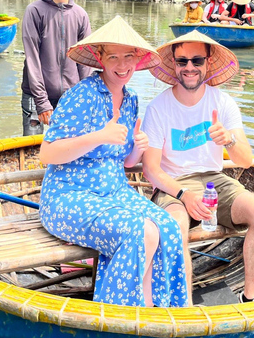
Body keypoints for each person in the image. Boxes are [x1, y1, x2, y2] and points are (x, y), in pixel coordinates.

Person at [38, 16, 188, 308]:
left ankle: (149, 310)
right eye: (114, 57)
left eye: (129, 57)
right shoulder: (81, 96)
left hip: (115, 192)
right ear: (100, 59)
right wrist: (97, 136)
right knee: (139, 231)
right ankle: (116, 314)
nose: (122, 66)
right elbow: (48, 153)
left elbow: (124, 162)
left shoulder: (131, 100)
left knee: (167, 227)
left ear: (138, 59)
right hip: (69, 196)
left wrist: (137, 149)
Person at [141, 31, 254, 304]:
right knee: (176, 225)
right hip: (174, 184)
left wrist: (230, 139)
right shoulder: (158, 108)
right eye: (182, 61)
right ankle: (185, 306)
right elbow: (151, 170)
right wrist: (184, 196)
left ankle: (251, 297)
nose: (189, 67)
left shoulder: (222, 102)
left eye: (196, 60)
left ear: (208, 62)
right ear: (174, 64)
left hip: (215, 181)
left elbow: (245, 160)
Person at [21, 0, 91, 136]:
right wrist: (42, 101)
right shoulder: (34, 11)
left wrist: (84, 97)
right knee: (32, 149)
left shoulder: (80, 15)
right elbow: (32, 59)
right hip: (35, 95)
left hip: (70, 97)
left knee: (68, 147)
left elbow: (85, 61)